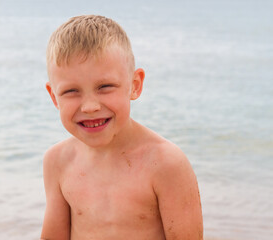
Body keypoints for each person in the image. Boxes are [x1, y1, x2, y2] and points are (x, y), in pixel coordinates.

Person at [40, 15, 203, 240]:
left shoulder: (166, 163)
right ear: (54, 97)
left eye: (105, 87)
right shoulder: (57, 161)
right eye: (71, 91)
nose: (89, 106)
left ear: (135, 85)